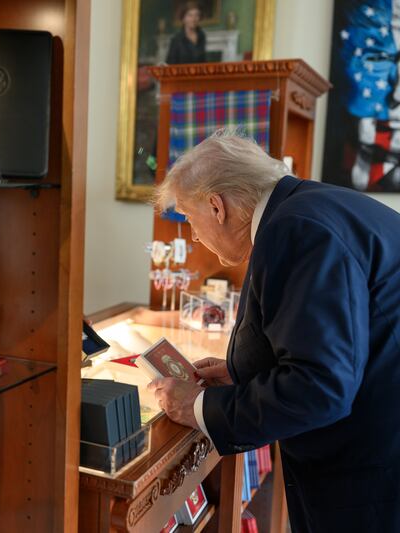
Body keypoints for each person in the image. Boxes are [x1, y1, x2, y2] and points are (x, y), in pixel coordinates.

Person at [148, 129, 400, 532]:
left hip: (371, 479)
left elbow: (322, 386)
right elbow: (335, 339)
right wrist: (246, 371)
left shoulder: (295, 230)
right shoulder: (311, 206)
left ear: (217, 207)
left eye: (190, 220)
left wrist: (195, 407)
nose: (194, 236)